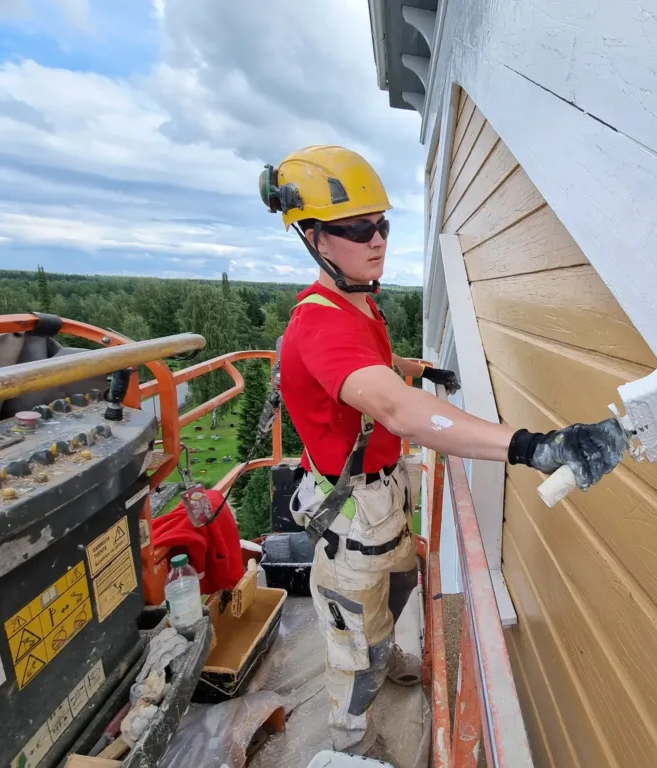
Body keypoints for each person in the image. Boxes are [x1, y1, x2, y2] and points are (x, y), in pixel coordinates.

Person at [260, 145, 627, 760]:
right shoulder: (318, 326)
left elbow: (379, 365)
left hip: (382, 496)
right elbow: (399, 410)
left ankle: (392, 654)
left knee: (398, 579)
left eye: (381, 223)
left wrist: (418, 365)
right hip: (351, 514)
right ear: (316, 238)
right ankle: (357, 747)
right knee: (355, 650)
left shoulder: (357, 302)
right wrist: (533, 446)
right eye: (355, 229)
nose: (376, 240)